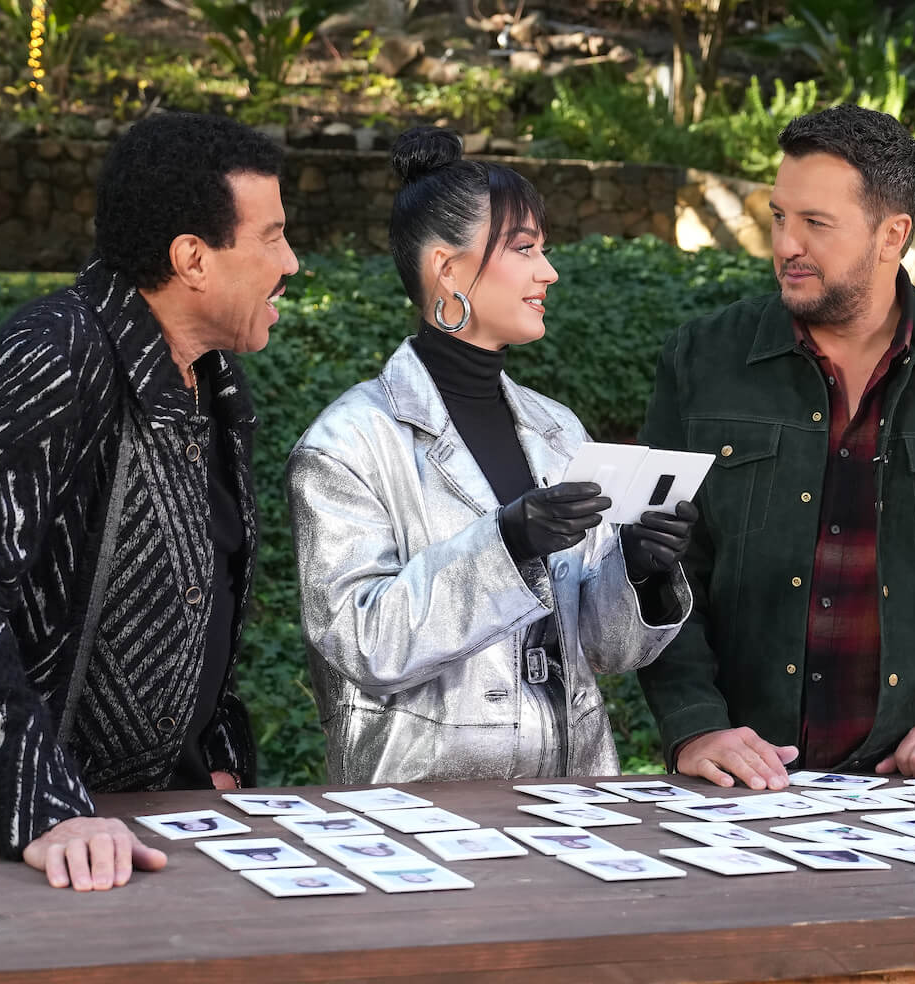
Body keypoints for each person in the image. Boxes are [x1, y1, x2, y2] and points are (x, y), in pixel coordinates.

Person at [0, 112, 299, 891]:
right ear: (192, 259)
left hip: (151, 835)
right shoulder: (54, 353)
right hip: (0, 853)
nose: (291, 262)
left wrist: (216, 761)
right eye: (271, 238)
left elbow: (203, 602)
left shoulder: (215, 381)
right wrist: (43, 809)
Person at [637, 105, 915, 790]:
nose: (787, 244)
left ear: (892, 235)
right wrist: (695, 723)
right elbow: (658, 565)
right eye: (779, 217)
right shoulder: (702, 359)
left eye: (816, 223)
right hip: (740, 787)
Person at [287, 126, 695, 783]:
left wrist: (639, 568)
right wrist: (506, 542)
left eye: (543, 248)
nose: (548, 271)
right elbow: (362, 645)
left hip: (573, 800)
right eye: (524, 248)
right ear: (447, 269)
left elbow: (605, 651)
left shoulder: (557, 429)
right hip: (418, 810)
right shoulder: (347, 444)